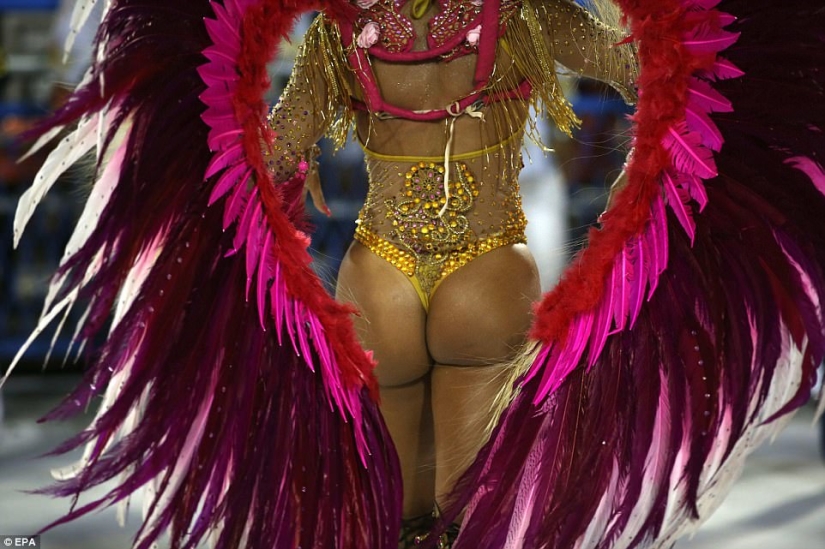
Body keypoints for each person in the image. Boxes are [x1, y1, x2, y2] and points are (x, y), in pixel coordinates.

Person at [261, 0, 636, 544]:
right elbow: (664, 74)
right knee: (466, 524)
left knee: (388, 519)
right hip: (488, 270)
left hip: (379, 275)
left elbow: (270, 160)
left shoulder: (339, 28)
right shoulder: (526, 14)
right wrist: (639, 176)